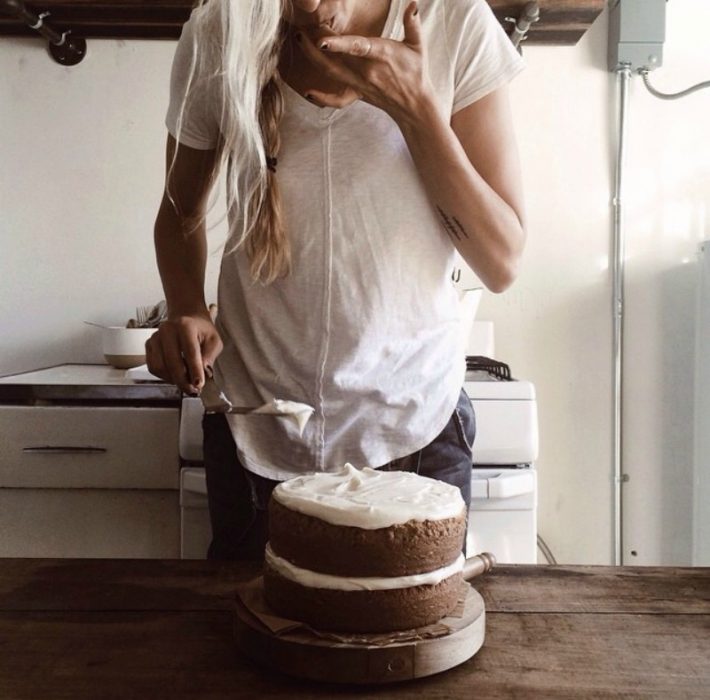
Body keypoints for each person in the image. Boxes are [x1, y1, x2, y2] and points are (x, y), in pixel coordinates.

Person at [146, 0, 527, 559]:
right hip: (259, 424)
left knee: (417, 636)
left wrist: (418, 110)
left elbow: (500, 261)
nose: (310, 10)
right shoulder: (220, 31)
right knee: (257, 637)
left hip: (415, 424)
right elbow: (180, 215)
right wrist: (188, 308)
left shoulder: (456, 23)